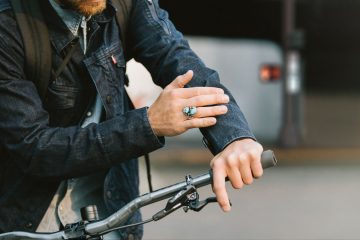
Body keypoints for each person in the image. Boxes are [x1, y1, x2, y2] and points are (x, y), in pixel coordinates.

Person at [0, 0, 263, 239]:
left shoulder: (127, 3)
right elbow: (34, 147)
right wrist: (148, 124)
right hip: (29, 222)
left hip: (111, 214)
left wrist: (233, 138)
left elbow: (179, 60)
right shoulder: (8, 24)